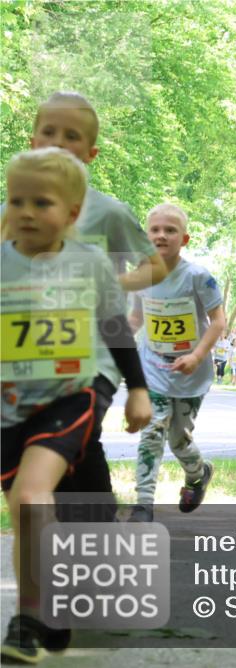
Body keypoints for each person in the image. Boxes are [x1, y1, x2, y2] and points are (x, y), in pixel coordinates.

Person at [1, 148, 152, 663]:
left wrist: (137, 389)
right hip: (9, 405)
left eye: (40, 202)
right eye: (15, 199)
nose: (25, 211)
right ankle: (49, 608)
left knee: (31, 495)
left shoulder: (87, 263)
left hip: (70, 395)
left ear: (70, 213)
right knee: (26, 512)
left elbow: (113, 327)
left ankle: (25, 621)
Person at [6, 91, 168, 531]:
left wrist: (104, 286)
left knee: (73, 441)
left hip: (91, 360)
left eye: (72, 136)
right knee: (46, 478)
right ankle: (90, 539)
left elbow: (155, 265)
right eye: (49, 132)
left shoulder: (108, 212)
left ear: (91, 153)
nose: (59, 142)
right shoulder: (12, 211)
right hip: (21, 369)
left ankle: (87, 543)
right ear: (33, 139)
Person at [127, 204, 224, 522]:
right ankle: (143, 503)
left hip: (190, 374)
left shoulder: (197, 277)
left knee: (178, 439)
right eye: (154, 229)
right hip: (153, 368)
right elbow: (136, 319)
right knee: (152, 430)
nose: (161, 235)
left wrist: (196, 356)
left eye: (170, 230)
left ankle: (198, 474)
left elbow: (218, 321)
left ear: (184, 239)